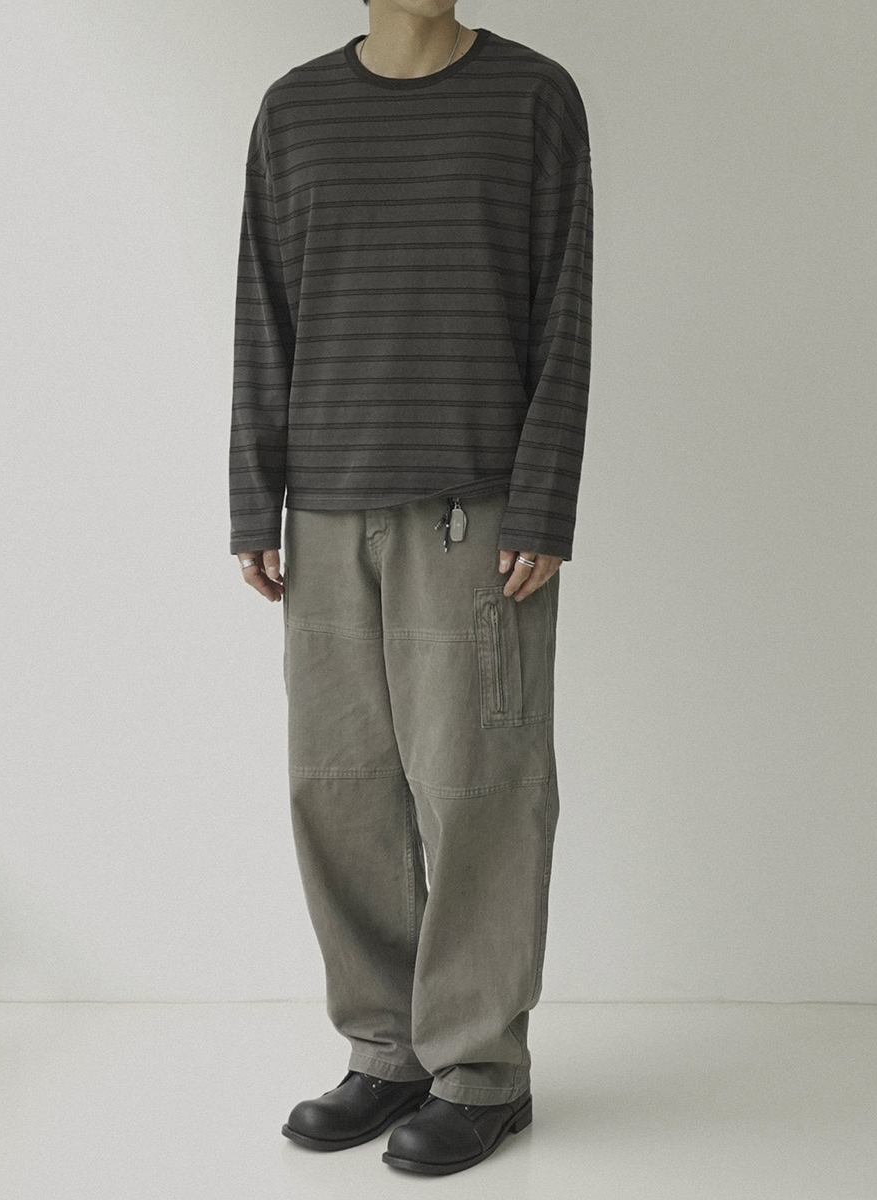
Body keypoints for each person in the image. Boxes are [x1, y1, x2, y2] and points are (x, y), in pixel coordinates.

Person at [228, 0, 593, 1176]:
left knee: (479, 788)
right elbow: (264, 309)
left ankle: (481, 1071)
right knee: (338, 790)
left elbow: (566, 307)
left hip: (472, 512)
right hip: (326, 509)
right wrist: (254, 494)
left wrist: (542, 502)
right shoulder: (294, 111)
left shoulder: (533, 96)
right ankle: (386, 1051)